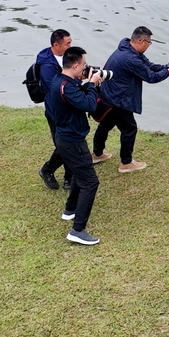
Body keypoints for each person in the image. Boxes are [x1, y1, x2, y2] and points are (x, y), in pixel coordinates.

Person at [90, 26, 169, 173]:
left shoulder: (127, 47)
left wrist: (168, 66)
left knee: (106, 124)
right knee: (129, 128)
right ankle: (126, 163)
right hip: (118, 100)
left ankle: (97, 154)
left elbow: (149, 66)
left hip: (108, 95)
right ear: (141, 41)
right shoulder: (130, 58)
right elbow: (151, 77)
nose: (149, 45)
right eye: (149, 42)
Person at [45, 46, 108, 246]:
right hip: (72, 141)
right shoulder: (67, 87)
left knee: (78, 175)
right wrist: (91, 84)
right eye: (83, 65)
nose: (85, 68)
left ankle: (70, 210)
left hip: (65, 138)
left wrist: (87, 82)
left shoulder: (60, 81)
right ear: (75, 65)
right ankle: (77, 230)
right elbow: (90, 105)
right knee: (90, 182)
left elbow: (75, 96)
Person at [36, 29, 72, 190]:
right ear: (56, 45)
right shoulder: (47, 65)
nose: (70, 46)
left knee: (70, 142)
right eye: (68, 44)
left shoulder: (68, 57)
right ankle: (47, 170)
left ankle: (69, 178)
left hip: (69, 107)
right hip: (55, 111)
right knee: (64, 145)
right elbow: (56, 88)